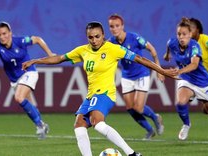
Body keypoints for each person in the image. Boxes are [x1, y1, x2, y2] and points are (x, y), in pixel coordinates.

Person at [22, 22, 176, 156]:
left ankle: (132, 153)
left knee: (98, 123)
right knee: (79, 126)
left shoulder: (113, 49)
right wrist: (35, 60)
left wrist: (162, 71)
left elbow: (140, 58)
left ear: (103, 35)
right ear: (87, 37)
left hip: (105, 94)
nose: (94, 40)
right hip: (91, 95)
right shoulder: (83, 51)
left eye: (97, 36)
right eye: (91, 37)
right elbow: (59, 58)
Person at [163, 17, 208, 141]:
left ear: (190, 34)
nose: (181, 37)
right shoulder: (172, 42)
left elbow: (194, 65)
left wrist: (179, 71)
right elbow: (169, 47)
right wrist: (167, 56)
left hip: (203, 83)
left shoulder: (195, 46)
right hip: (186, 80)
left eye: (184, 34)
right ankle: (186, 124)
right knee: (180, 102)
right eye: (179, 34)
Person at [0, 21, 55, 139]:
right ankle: (41, 125)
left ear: (10, 33)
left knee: (19, 98)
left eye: (4, 33)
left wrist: (50, 54)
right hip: (15, 80)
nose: (2, 37)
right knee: (30, 105)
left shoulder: (19, 41)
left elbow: (38, 39)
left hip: (29, 72)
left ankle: (40, 126)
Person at [108, 14, 164, 140]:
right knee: (130, 108)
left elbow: (152, 49)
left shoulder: (134, 37)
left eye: (117, 26)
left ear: (122, 26)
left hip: (141, 74)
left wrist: (159, 70)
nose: (114, 29)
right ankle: (150, 131)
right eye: (111, 26)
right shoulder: (111, 42)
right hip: (127, 76)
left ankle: (155, 117)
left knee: (138, 107)